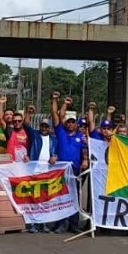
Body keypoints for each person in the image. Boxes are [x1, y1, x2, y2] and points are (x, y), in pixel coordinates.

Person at [51, 93, 87, 234]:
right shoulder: (61, 132)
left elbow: (84, 151)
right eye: (69, 122)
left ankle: (73, 224)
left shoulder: (81, 137)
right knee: (61, 197)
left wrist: (85, 160)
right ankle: (61, 224)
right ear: (65, 123)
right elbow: (55, 113)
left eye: (73, 122)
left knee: (75, 197)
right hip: (62, 170)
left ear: (76, 124)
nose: (71, 124)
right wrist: (61, 102)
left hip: (76, 170)